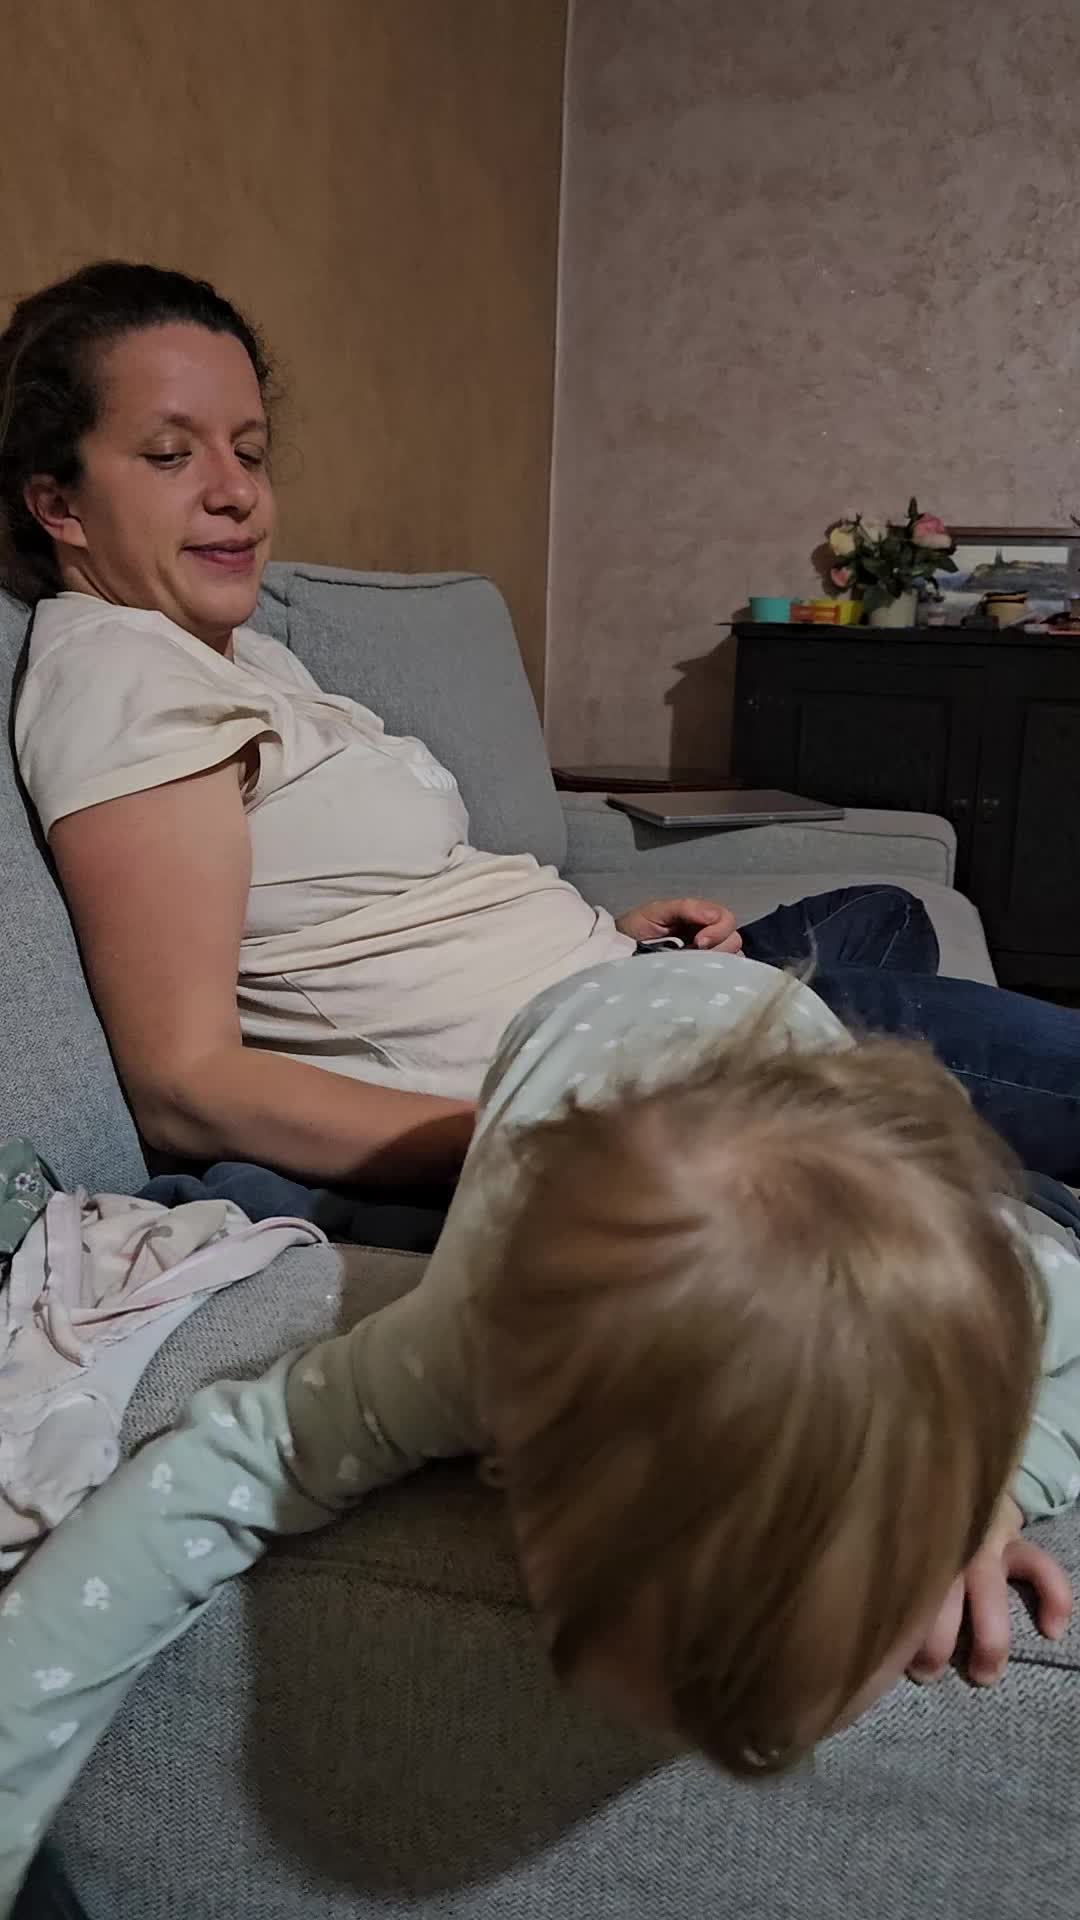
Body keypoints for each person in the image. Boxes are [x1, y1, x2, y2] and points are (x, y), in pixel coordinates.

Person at [0, 950, 1074, 1913]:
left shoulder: (1001, 1284)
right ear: (504, 1459)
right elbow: (202, 1481)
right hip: (572, 1017)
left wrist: (992, 1490)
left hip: (775, 1031)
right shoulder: (467, 1348)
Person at [2, 261, 1080, 1209]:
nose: (237, 492)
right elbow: (186, 1084)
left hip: (627, 993)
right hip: (635, 1076)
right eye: (170, 455)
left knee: (886, 912)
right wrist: (535, 1144)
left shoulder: (231, 651)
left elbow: (381, 909)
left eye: (249, 449)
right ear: (58, 503)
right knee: (1015, 1153)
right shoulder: (124, 678)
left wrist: (605, 932)